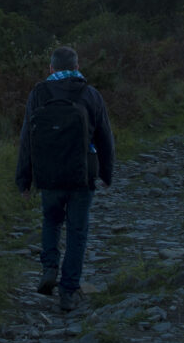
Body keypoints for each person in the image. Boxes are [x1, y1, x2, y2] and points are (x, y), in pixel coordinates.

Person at [14, 45, 115, 314]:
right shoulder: (91, 94)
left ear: (51, 68)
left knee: (51, 221)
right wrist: (107, 173)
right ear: (77, 67)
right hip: (82, 174)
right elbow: (105, 137)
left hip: (48, 174)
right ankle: (68, 292)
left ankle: (49, 267)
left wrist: (24, 179)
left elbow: (27, 139)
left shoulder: (38, 94)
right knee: (77, 231)